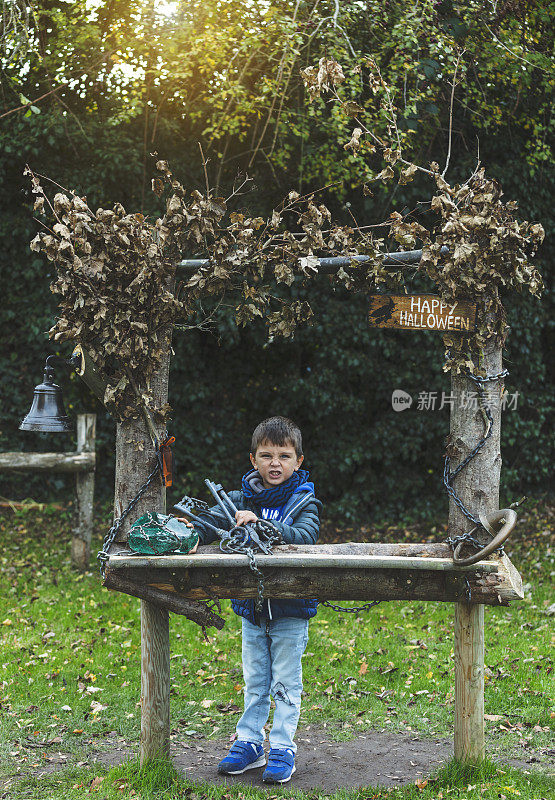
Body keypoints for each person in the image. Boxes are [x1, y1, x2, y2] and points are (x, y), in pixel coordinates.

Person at [179, 416, 320, 784]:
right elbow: (213, 522)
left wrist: (262, 525)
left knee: (286, 683)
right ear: (253, 459)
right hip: (251, 609)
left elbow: (305, 536)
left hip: (291, 606)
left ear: (298, 461)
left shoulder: (304, 500)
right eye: (267, 455)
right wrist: (198, 525)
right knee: (256, 680)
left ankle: (283, 747)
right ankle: (250, 742)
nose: (276, 463)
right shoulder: (238, 498)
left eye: (284, 456)